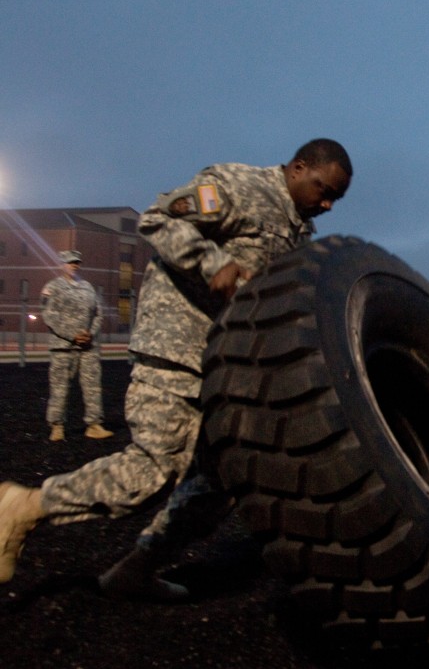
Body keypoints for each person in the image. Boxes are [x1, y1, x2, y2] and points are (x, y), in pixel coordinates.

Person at [0, 139, 353, 594]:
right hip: (177, 346)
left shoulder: (298, 234)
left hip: (227, 369)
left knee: (221, 482)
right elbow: (159, 218)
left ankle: (137, 569)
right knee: (156, 466)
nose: (325, 203)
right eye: (323, 189)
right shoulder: (238, 185)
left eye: (334, 200)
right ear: (299, 167)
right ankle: (24, 506)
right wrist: (211, 262)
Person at [40, 250, 113, 442]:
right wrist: (72, 335)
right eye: (70, 262)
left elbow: (98, 313)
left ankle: (94, 424)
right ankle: (57, 426)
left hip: (88, 346)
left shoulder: (87, 287)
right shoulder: (52, 287)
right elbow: (49, 315)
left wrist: (90, 334)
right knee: (60, 388)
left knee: (92, 387)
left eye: (76, 262)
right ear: (61, 264)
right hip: (63, 346)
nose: (74, 265)